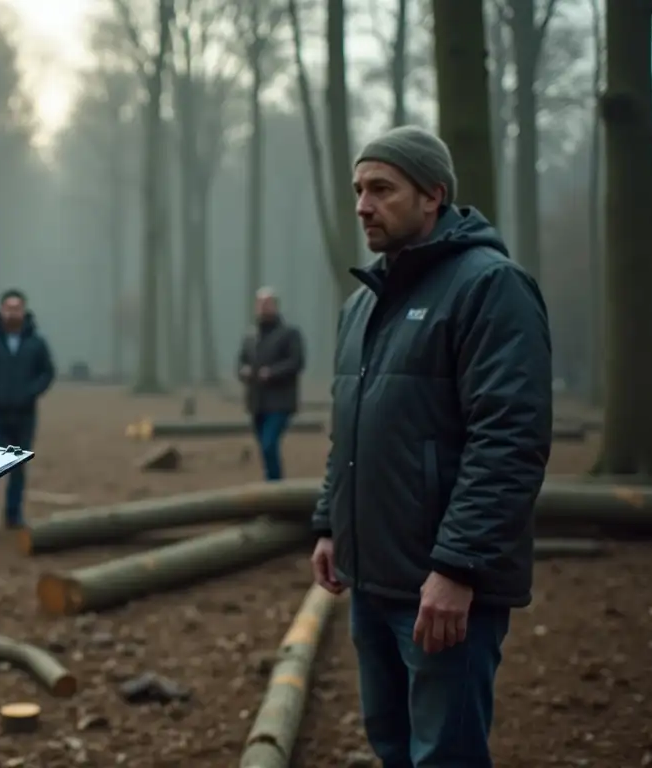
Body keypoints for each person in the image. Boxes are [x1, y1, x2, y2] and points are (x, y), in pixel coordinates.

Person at [309, 125, 553, 767]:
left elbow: (509, 438)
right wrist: (331, 523)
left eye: (382, 188)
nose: (363, 204)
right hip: (372, 578)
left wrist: (457, 568)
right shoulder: (360, 305)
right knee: (390, 743)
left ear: (433, 196)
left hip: (444, 589)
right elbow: (352, 430)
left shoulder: (491, 288)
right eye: (359, 189)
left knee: (445, 756)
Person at [0, 289, 55, 536]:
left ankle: (14, 517)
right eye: (9, 308)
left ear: (24, 311)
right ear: (1, 310)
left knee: (18, 467)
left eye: (17, 308)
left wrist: (31, 392)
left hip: (24, 415)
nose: (13, 313)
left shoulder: (37, 343)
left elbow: (47, 372)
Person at [236, 287, 305, 480]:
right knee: (264, 448)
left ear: (275, 306)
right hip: (257, 402)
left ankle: (276, 487)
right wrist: (244, 371)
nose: (263, 307)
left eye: (267, 303)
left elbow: (296, 361)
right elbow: (240, 363)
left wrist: (272, 373)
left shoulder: (289, 334)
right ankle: (273, 484)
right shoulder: (251, 336)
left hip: (280, 402)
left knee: (269, 444)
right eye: (260, 303)